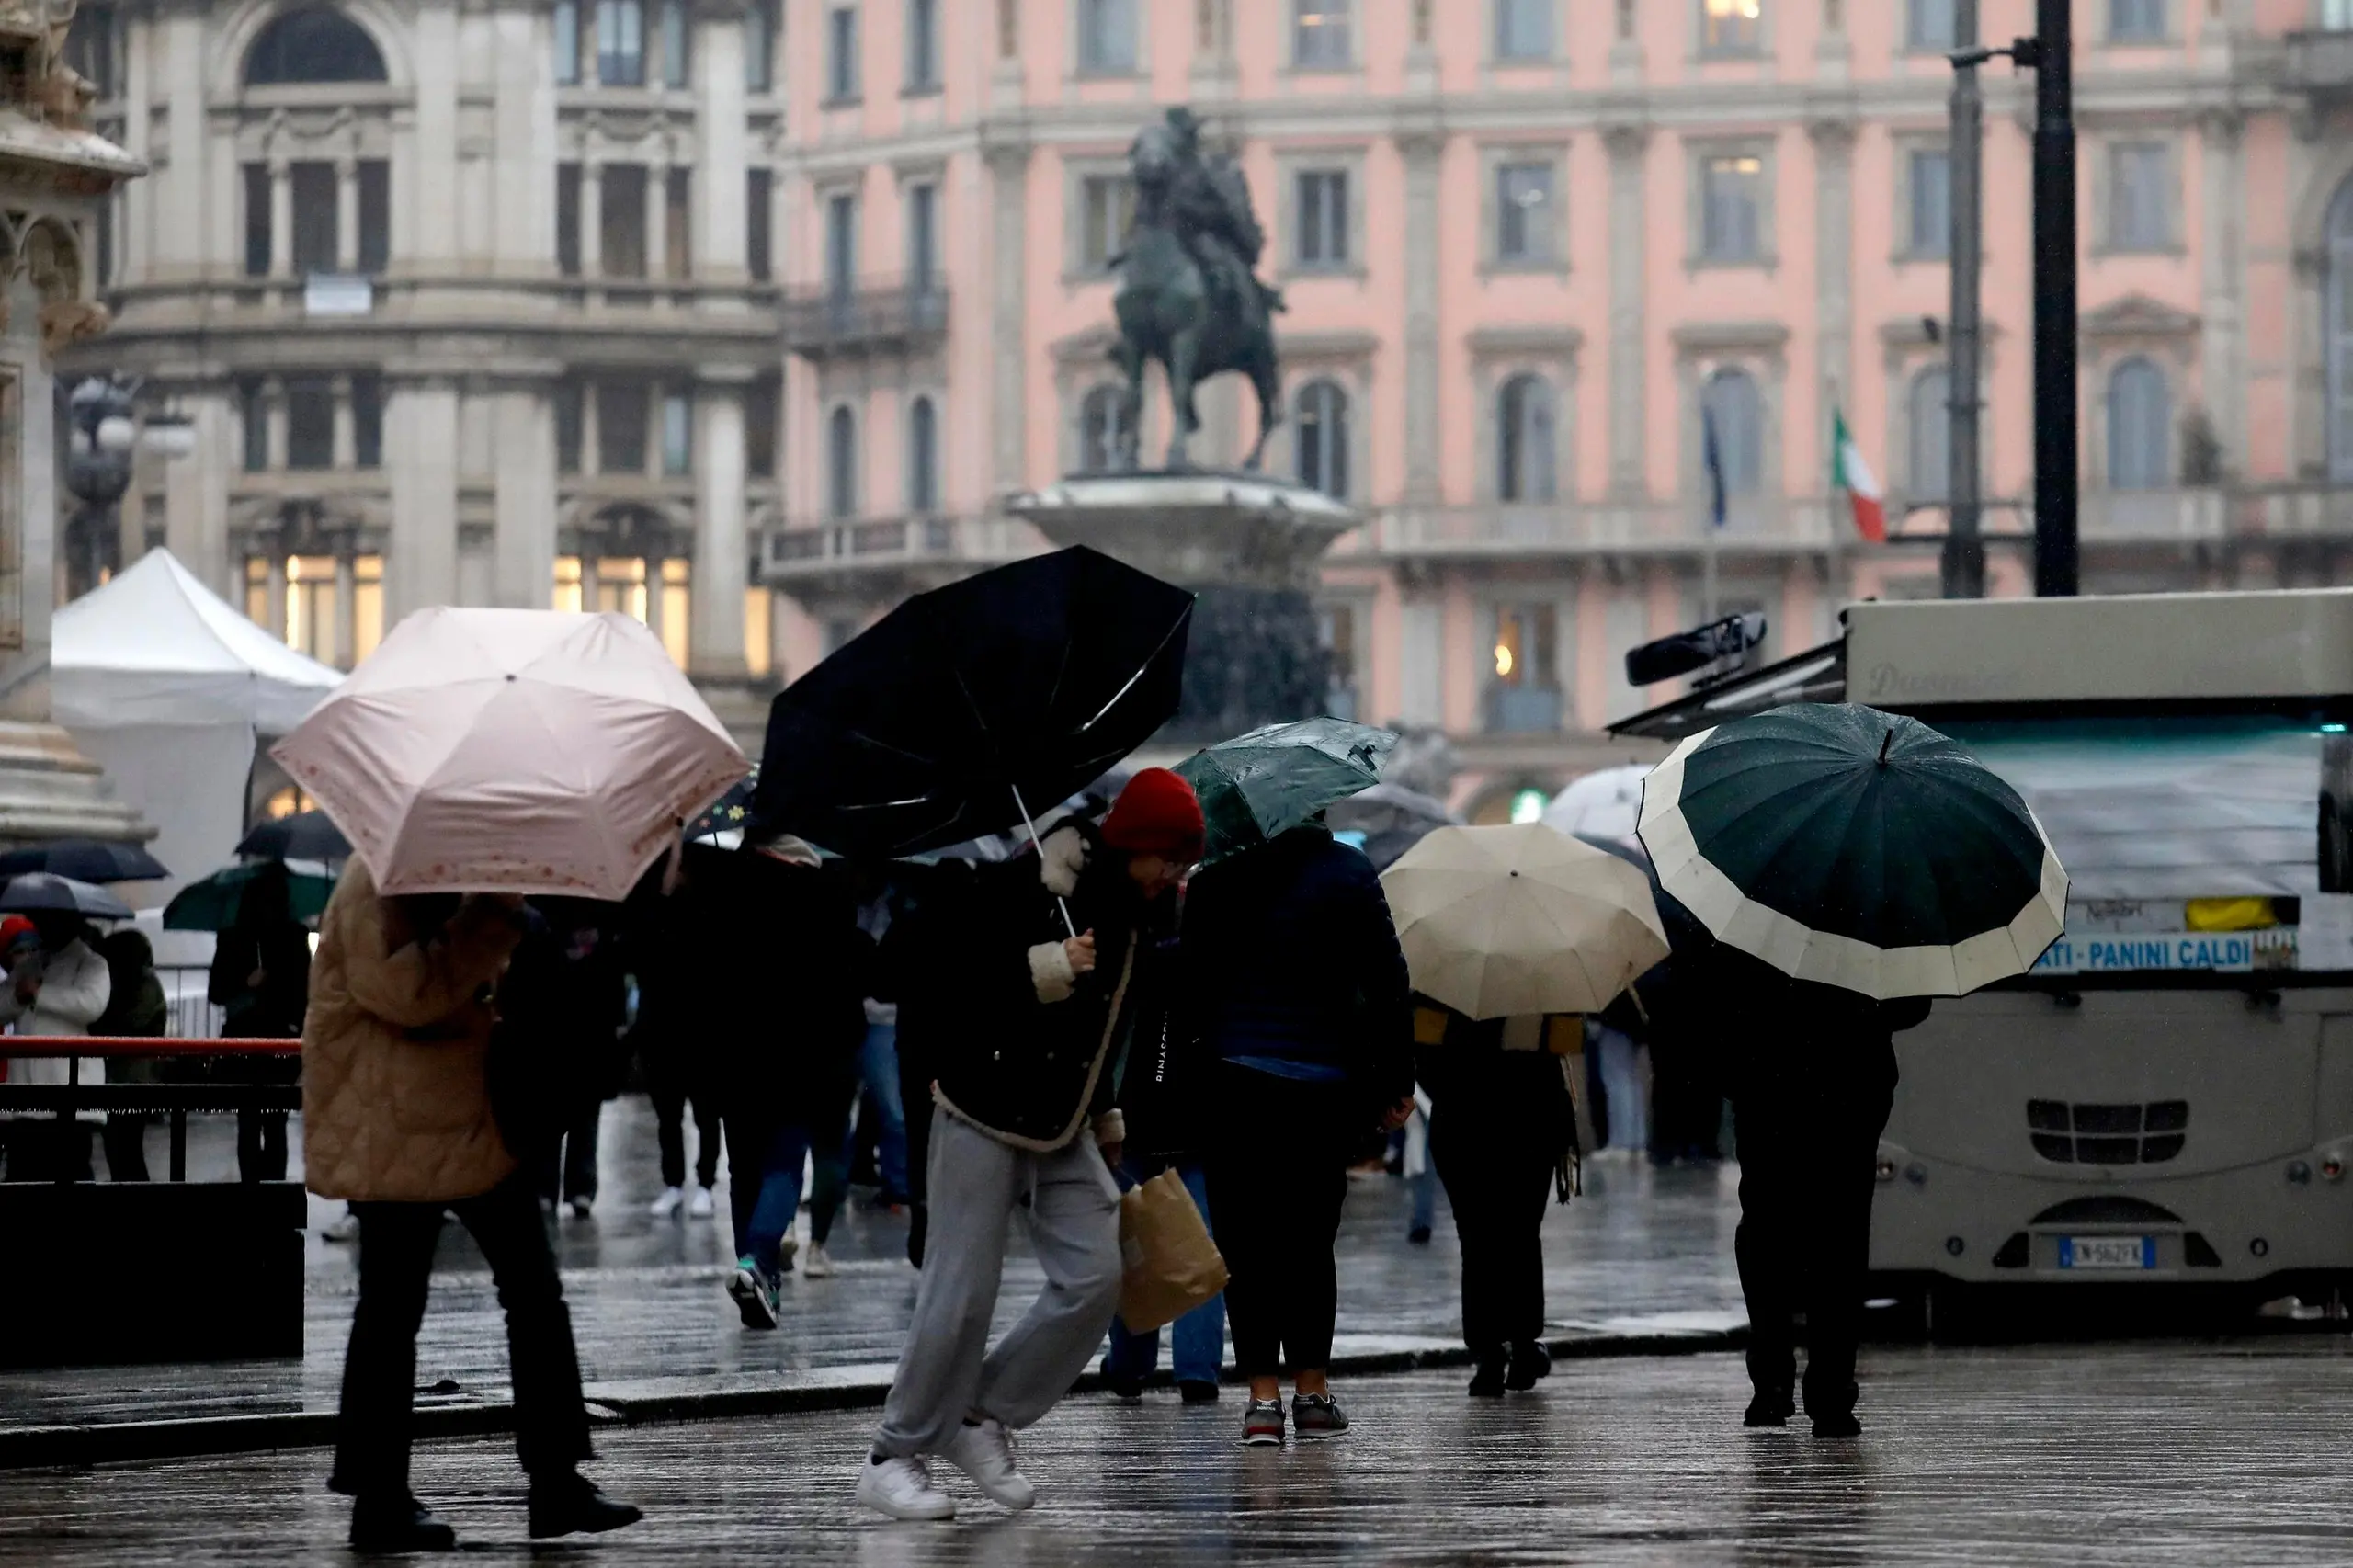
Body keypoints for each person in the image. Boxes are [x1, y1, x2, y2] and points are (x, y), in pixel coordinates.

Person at [856, 769, 1197, 1522]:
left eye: (1185, 861)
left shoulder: (1141, 913)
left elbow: (1110, 1027)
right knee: (962, 1292)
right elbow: (949, 982)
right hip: (982, 1103)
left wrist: (1107, 1119)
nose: (1178, 873)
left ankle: (982, 1417)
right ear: (1137, 844)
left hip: (1064, 1118)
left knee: (1096, 1274)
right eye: (1171, 857)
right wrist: (1044, 965)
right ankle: (894, 1454)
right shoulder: (1031, 886)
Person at [304, 858, 640, 1551]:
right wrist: (489, 925)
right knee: (392, 1311)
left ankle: (556, 1482)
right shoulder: (374, 885)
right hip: (395, 1128)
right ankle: (379, 1498)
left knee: (535, 1293)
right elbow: (406, 994)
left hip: (466, 1122)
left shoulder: (455, 878)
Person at [1186, 820, 1414, 1449]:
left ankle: (1262, 1401)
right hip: (1322, 1083)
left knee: (1245, 1243)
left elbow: (1191, 987)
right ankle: (1312, 1392)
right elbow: (1387, 981)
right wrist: (1398, 1079)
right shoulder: (1347, 871)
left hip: (1234, 1082)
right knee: (1311, 1240)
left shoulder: (1214, 879)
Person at [1719, 958, 1929, 1439]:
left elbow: (1719, 1005)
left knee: (1770, 1239)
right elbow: (1913, 1003)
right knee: (1838, 1246)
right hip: (1842, 1100)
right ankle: (1829, 1393)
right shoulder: (1875, 913)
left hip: (1772, 1097)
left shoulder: (1760, 916)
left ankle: (1776, 1382)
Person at [671, 831, 866, 1324]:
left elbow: (695, 975)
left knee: (743, 1172)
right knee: (783, 1165)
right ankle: (758, 1262)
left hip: (732, 1056)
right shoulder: (826, 896)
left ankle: (761, 1282)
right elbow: (845, 981)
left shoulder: (719, 891)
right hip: (799, 1056)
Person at [1415, 1003, 1579, 1397]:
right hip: (1531, 1116)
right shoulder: (1547, 979)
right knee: (1522, 1235)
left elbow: (1424, 1056)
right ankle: (1523, 1346)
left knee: (1476, 1239)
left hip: (1463, 1121)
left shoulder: (1444, 982)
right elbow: (1568, 1041)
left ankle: (1489, 1353)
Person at [502, 899, 630, 1220]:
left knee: (583, 1116)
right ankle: (551, 1188)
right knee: (551, 1116)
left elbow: (613, 975)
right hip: (551, 1032)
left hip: (589, 1032)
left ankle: (579, 1189)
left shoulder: (604, 919)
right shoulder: (540, 920)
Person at [210, 862, 312, 1182]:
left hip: (276, 1037)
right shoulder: (235, 939)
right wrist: (246, 983)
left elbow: (303, 990)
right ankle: (259, 1191)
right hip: (255, 1038)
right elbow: (218, 990)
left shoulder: (293, 938)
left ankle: (265, 1191)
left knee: (267, 1121)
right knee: (255, 1121)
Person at [0, 913, 112, 1181]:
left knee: (69, 1173)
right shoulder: (29, 965)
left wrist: (39, 994)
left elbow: (91, 1005)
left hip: (69, 1092)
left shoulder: (92, 963)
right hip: (26, 1097)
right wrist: (18, 996)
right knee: (22, 1175)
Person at [849, 865, 912, 1206]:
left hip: (883, 1018)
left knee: (892, 1110)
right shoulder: (853, 907)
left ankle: (898, 1183)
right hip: (856, 1016)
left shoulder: (897, 908)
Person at [92, 927, 169, 1182]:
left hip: (133, 1077)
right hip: (126, 1076)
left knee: (126, 1148)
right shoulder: (138, 983)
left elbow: (129, 1023)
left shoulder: (144, 984)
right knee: (119, 1148)